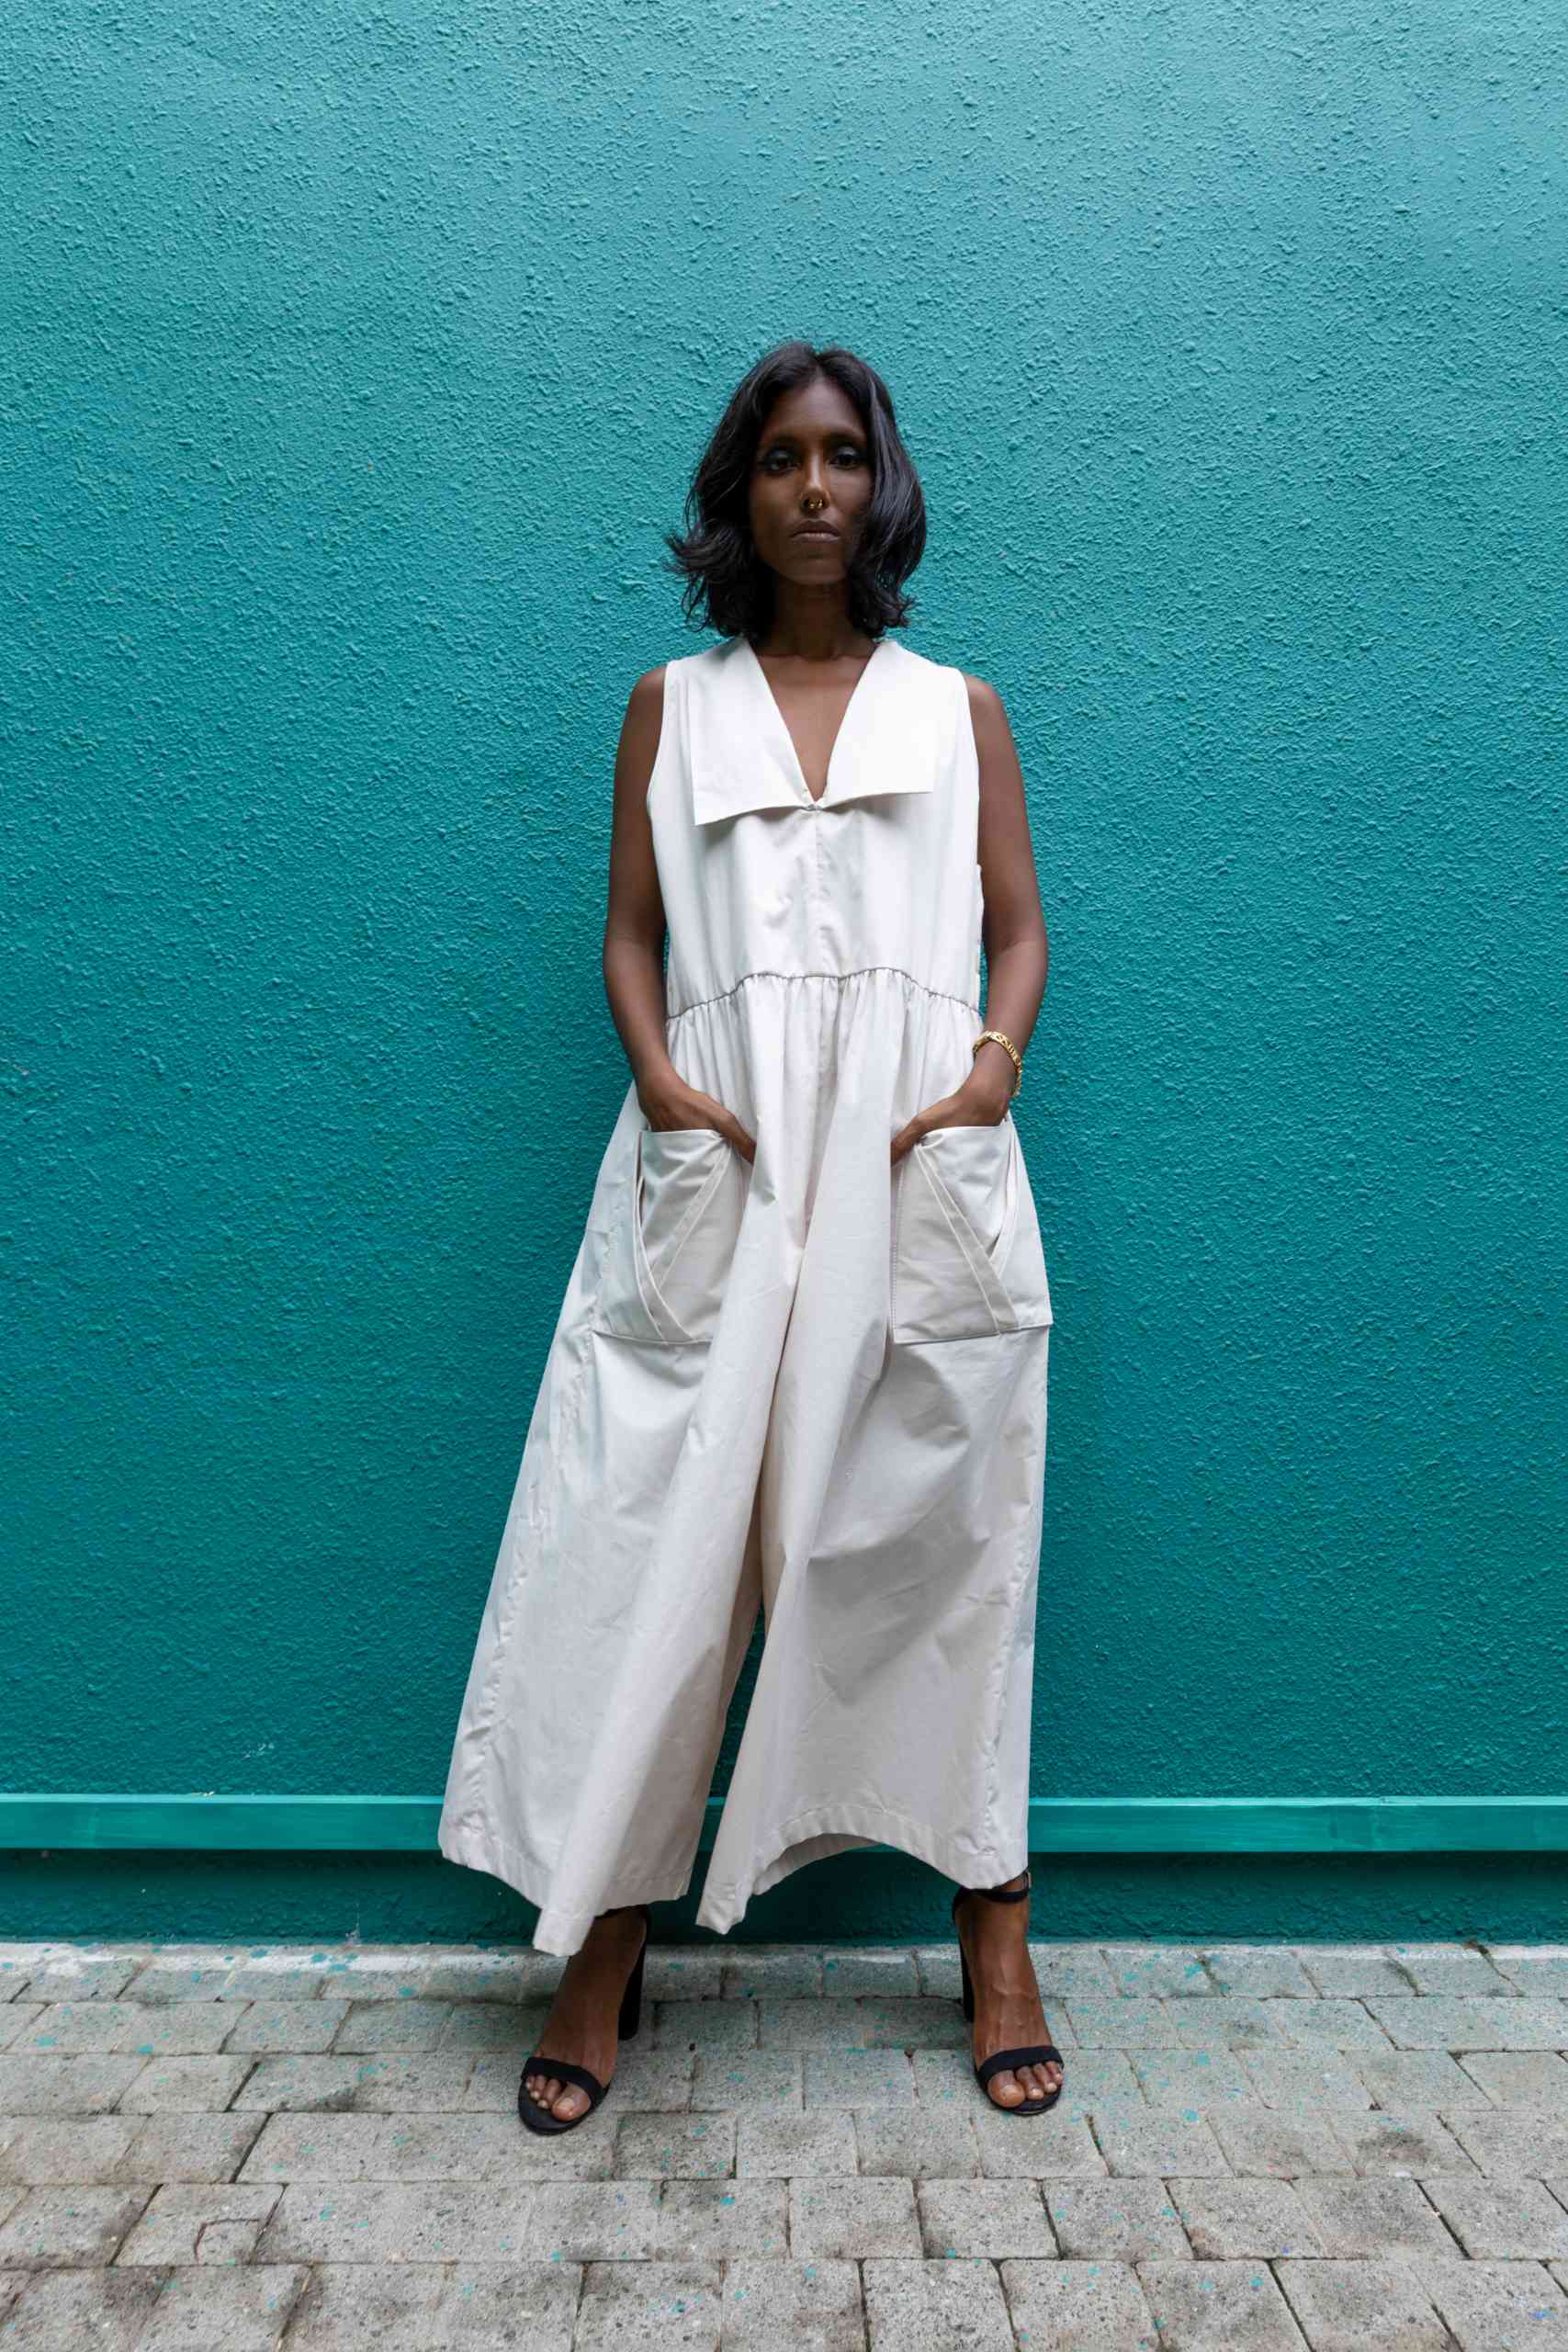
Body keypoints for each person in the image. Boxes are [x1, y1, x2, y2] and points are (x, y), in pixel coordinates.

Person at [438, 339, 1062, 2132]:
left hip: (908, 1154)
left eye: (842, 455)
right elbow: (630, 931)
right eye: (781, 456)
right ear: (740, 489)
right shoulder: (672, 705)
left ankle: (996, 1935)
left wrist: (986, 1077)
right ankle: (602, 1939)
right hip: (721, 1149)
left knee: (940, 1535)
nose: (814, 487)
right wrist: (655, 1077)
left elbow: (1017, 928)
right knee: (651, 1539)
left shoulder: (956, 710)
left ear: (883, 483)